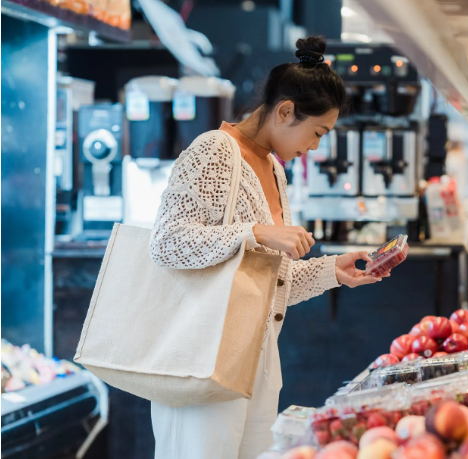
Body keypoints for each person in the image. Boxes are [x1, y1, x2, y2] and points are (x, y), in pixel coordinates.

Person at [148, 36, 391, 459]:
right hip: (202, 361)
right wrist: (256, 232)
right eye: (317, 132)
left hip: (258, 362)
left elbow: (266, 282)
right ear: (284, 111)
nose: (316, 146)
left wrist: (334, 270)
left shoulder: (275, 171)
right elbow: (167, 244)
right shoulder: (213, 151)